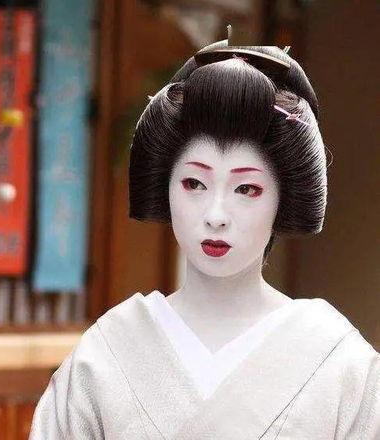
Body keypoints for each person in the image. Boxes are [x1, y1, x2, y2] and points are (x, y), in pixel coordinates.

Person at [29, 40, 380, 439]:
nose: (216, 215)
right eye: (194, 183)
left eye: (247, 189)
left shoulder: (336, 360)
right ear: (165, 187)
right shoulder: (106, 353)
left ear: (283, 199)